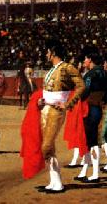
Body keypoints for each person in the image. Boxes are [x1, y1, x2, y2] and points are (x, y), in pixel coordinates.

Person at [20, 39, 84, 193]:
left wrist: (68, 104)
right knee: (49, 148)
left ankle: (57, 182)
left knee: (46, 146)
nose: (46, 54)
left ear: (53, 52)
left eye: (47, 51)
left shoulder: (67, 68)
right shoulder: (51, 69)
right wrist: (41, 101)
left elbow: (81, 86)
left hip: (56, 110)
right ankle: (55, 182)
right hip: (45, 109)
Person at [75, 47, 107, 183]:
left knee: (91, 142)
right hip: (98, 108)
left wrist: (75, 99)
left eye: (85, 58)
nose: (84, 61)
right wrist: (102, 101)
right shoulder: (106, 75)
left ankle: (95, 174)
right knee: (91, 141)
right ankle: (85, 171)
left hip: (89, 108)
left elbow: (84, 91)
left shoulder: (90, 75)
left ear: (90, 60)